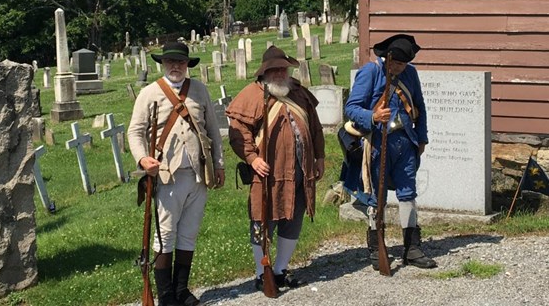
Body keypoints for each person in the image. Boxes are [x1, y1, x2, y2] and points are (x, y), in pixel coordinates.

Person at [128, 42, 225, 306]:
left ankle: (181, 290)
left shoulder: (200, 90)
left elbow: (214, 131)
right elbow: (135, 132)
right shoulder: (149, 93)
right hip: (166, 176)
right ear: (163, 64)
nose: (176, 66)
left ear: (187, 65)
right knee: (165, 235)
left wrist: (219, 164)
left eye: (180, 62)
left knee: (189, 234)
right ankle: (166, 295)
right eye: (171, 62)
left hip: (197, 175)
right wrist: (142, 158)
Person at [226, 46, 325, 290]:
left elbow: (316, 127)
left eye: (283, 68)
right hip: (268, 171)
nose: (280, 73)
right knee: (263, 218)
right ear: (265, 72)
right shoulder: (252, 95)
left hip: (301, 169)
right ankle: (263, 273)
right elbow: (238, 133)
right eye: (275, 69)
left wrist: (320, 157)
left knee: (293, 216)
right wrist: (252, 158)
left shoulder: (299, 93)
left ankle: (280, 270)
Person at [344, 34, 437, 270]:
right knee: (378, 197)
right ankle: (377, 246)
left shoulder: (410, 74)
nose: (398, 67)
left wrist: (422, 137)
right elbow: (352, 108)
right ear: (386, 57)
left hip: (405, 142)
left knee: (408, 193)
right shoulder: (371, 72)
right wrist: (373, 116)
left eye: (402, 64)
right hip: (377, 143)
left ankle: (412, 248)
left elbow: (420, 106)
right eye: (395, 63)